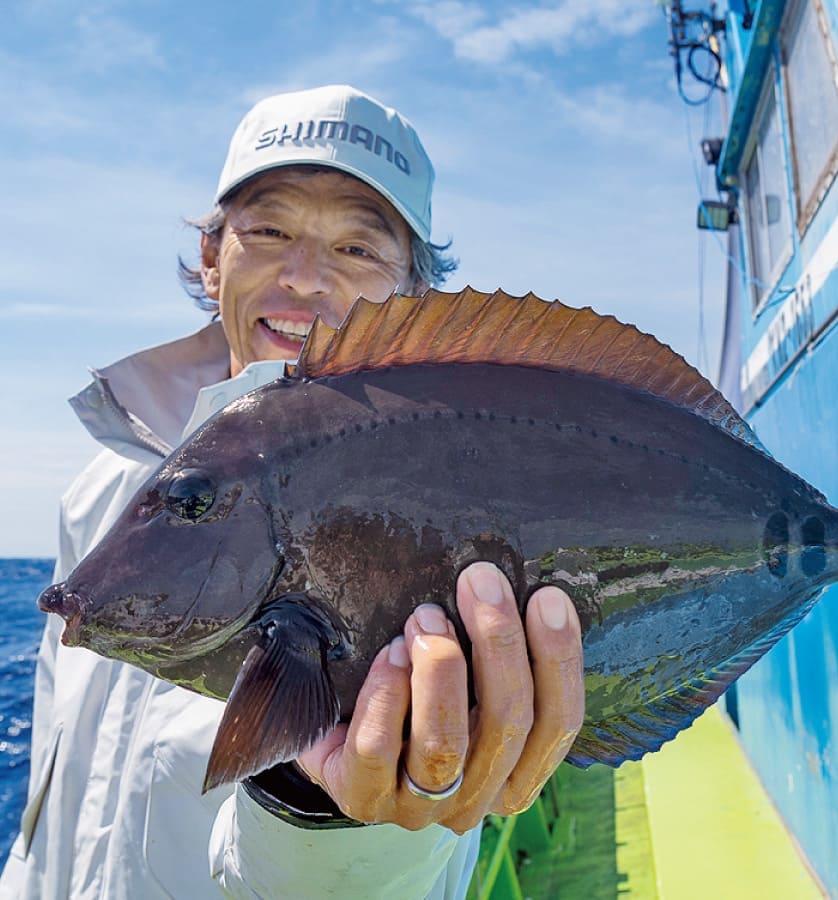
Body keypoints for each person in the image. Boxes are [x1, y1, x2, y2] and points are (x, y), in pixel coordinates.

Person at [0, 84, 585, 898]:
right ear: (213, 258)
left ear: (410, 296)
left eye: (357, 249)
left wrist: (330, 804)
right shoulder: (102, 487)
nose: (305, 278)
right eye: (270, 230)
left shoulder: (447, 507)